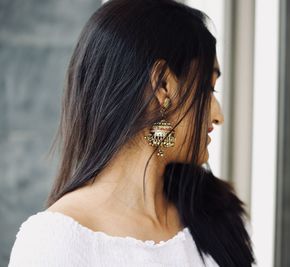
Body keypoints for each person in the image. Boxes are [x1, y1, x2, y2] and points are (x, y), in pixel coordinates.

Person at [8, 0, 255, 266]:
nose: (219, 115)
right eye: (208, 89)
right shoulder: (55, 242)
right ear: (163, 85)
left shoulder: (218, 213)